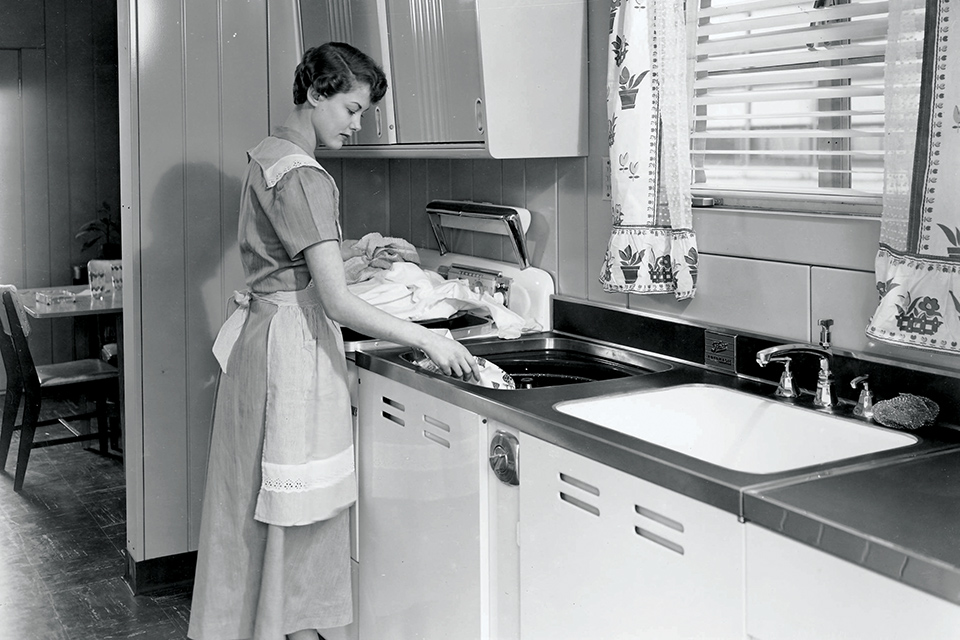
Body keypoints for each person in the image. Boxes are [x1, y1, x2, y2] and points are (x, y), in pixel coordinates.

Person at [187, 42, 480, 640]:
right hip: (290, 350)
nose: (356, 124)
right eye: (350, 108)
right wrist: (430, 339)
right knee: (295, 501)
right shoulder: (305, 176)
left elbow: (284, 263)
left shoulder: (268, 156)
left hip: (261, 336)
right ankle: (293, 629)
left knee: (255, 500)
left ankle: (266, 626)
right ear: (316, 94)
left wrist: (350, 251)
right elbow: (337, 301)